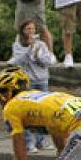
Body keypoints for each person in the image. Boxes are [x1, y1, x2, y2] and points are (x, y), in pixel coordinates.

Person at [11, 19, 54, 152]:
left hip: (42, 80)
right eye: (28, 29)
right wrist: (29, 49)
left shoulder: (41, 44)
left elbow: (48, 61)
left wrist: (37, 55)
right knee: (27, 112)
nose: (31, 31)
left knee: (42, 112)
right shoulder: (18, 45)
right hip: (27, 81)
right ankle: (29, 142)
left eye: (33, 29)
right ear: (23, 31)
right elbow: (18, 61)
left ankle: (41, 141)